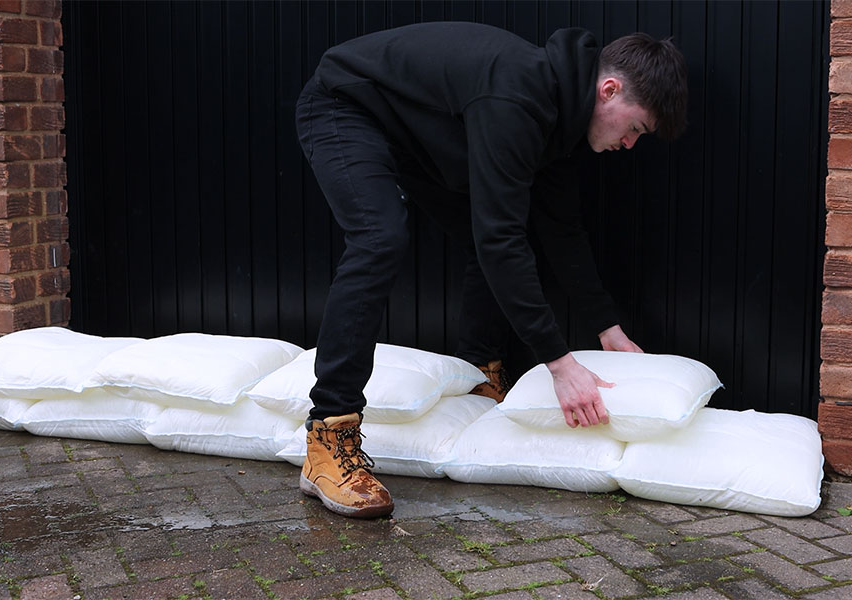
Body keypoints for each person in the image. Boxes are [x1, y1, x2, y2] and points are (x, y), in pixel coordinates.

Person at [294, 21, 688, 518]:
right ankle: (329, 437)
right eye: (635, 128)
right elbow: (499, 240)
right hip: (343, 106)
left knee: (494, 235)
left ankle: (479, 376)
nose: (630, 144)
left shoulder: (561, 123)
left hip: (411, 130)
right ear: (609, 90)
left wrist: (608, 329)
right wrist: (561, 365)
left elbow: (562, 232)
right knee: (380, 239)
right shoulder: (517, 98)